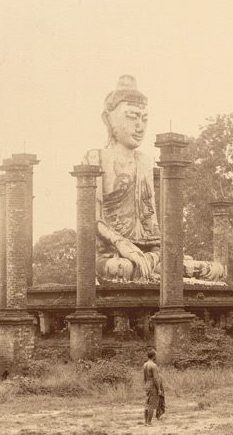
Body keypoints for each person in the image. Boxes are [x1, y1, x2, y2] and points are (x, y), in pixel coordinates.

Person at [84, 75, 223, 282]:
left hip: (149, 252)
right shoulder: (96, 157)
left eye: (144, 118)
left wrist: (157, 253)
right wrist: (124, 245)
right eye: (132, 117)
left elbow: (151, 221)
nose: (140, 126)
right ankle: (157, 270)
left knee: (216, 270)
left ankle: (157, 268)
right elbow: (92, 219)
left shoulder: (145, 161)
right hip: (113, 253)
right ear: (108, 118)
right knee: (121, 268)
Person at [143, 350, 162, 426]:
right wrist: (159, 388)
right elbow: (156, 378)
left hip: (147, 384)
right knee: (151, 404)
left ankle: (146, 422)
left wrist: (146, 385)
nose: (156, 357)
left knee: (147, 404)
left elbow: (144, 377)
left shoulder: (145, 364)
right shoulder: (154, 365)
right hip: (153, 385)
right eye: (155, 355)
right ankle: (149, 422)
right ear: (153, 356)